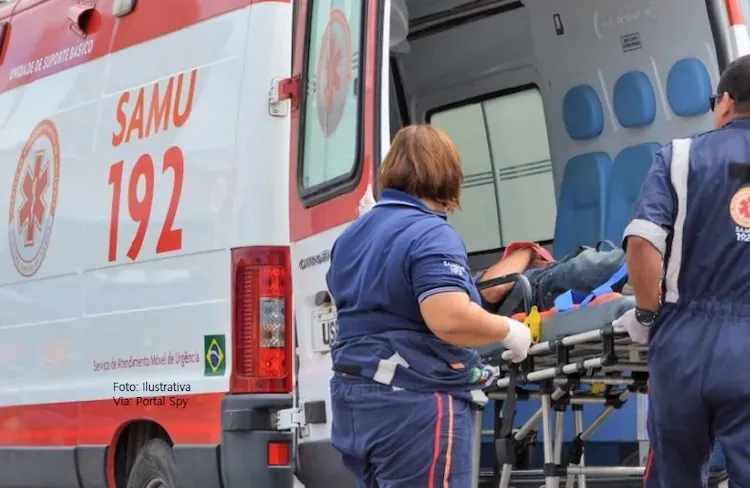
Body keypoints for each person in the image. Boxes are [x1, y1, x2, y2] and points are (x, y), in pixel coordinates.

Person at [326, 124, 532, 488]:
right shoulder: (431, 233)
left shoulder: (352, 236)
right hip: (414, 405)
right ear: (448, 173)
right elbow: (448, 316)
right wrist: (509, 331)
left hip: (356, 404)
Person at [616, 54, 750, 487]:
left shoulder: (679, 156)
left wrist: (648, 313)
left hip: (684, 341)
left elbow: (641, 242)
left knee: (676, 473)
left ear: (726, 101)